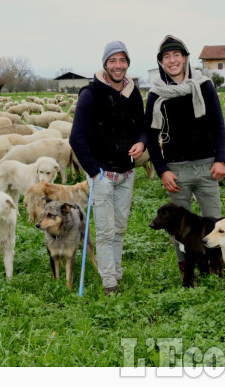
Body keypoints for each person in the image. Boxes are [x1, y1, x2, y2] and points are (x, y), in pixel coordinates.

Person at [144, 35, 225, 280]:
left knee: (215, 223)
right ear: (161, 62)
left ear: (185, 58)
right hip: (176, 170)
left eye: (176, 55)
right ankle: (186, 268)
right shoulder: (156, 94)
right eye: (166, 57)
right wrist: (162, 170)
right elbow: (151, 137)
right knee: (177, 226)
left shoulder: (204, 86)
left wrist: (220, 159)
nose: (172, 60)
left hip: (206, 166)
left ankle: (216, 267)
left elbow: (218, 124)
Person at [69, 40, 147, 296]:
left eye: (122, 60)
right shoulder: (90, 94)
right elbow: (76, 137)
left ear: (127, 64)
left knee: (120, 228)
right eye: (113, 60)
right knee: (104, 231)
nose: (118, 65)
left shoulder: (133, 92)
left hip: (126, 173)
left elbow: (142, 126)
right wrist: (94, 172)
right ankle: (108, 283)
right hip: (102, 175)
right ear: (105, 64)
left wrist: (141, 142)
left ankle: (116, 271)